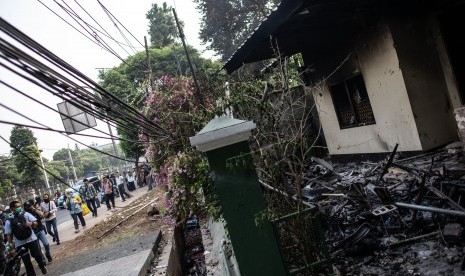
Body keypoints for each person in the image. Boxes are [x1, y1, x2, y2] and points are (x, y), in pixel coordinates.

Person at [4, 200, 48, 275]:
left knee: (38, 256)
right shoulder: (9, 221)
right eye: (17, 207)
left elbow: (36, 222)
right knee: (27, 262)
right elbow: (8, 235)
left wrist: (32, 223)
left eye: (20, 206)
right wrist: (12, 248)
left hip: (32, 239)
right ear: (12, 209)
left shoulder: (25, 214)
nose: (19, 208)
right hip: (20, 244)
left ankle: (42, 266)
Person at [24, 199, 52, 263]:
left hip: (40, 229)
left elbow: (42, 216)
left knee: (46, 244)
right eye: (28, 206)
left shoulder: (35, 211)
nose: (29, 207)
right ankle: (42, 259)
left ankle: (48, 254)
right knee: (38, 248)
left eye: (30, 205)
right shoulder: (25, 215)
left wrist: (34, 209)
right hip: (32, 233)